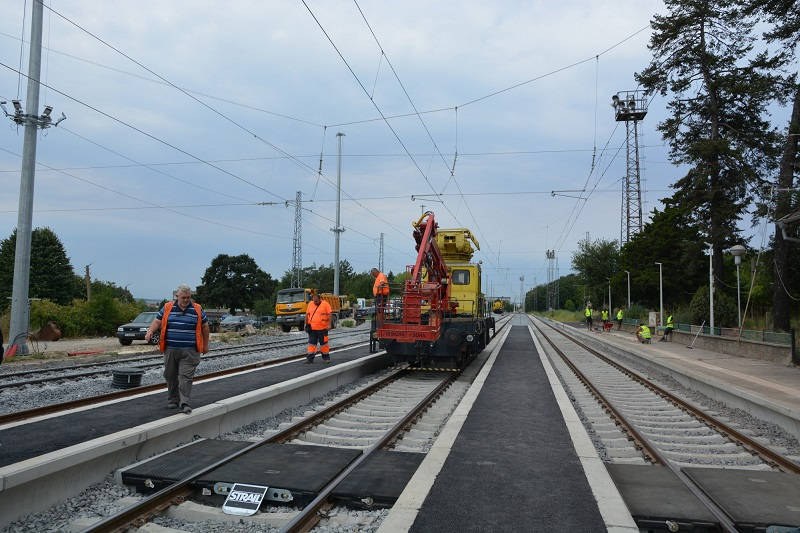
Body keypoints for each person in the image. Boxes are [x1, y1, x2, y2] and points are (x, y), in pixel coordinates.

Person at [145, 284, 209, 414]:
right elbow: (157, 321)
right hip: (170, 349)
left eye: (188, 297)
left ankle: (184, 402)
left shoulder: (197, 309)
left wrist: (205, 345)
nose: (186, 300)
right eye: (183, 297)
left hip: (190, 350)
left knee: (185, 377)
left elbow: (205, 327)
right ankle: (173, 399)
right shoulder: (168, 307)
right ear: (177, 296)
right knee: (170, 375)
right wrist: (150, 331)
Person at [305, 292, 332, 364]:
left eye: (316, 301)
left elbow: (329, 314)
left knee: (324, 344)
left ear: (320, 299)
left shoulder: (325, 304)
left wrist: (329, 325)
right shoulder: (310, 304)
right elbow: (307, 314)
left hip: (323, 329)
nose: (315, 302)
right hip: (312, 329)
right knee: (311, 344)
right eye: (314, 301)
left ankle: (326, 358)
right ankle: (310, 359)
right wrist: (306, 324)